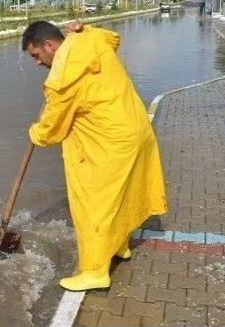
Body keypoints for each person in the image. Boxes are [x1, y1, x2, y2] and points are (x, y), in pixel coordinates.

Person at [22, 21, 167, 291]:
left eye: (36, 55)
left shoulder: (65, 75)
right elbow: (113, 38)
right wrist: (85, 29)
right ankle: (118, 246)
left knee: (93, 203)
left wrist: (35, 133)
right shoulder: (90, 42)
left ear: (49, 46)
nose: (36, 62)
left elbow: (52, 129)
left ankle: (95, 271)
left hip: (110, 143)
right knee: (122, 194)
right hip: (136, 131)